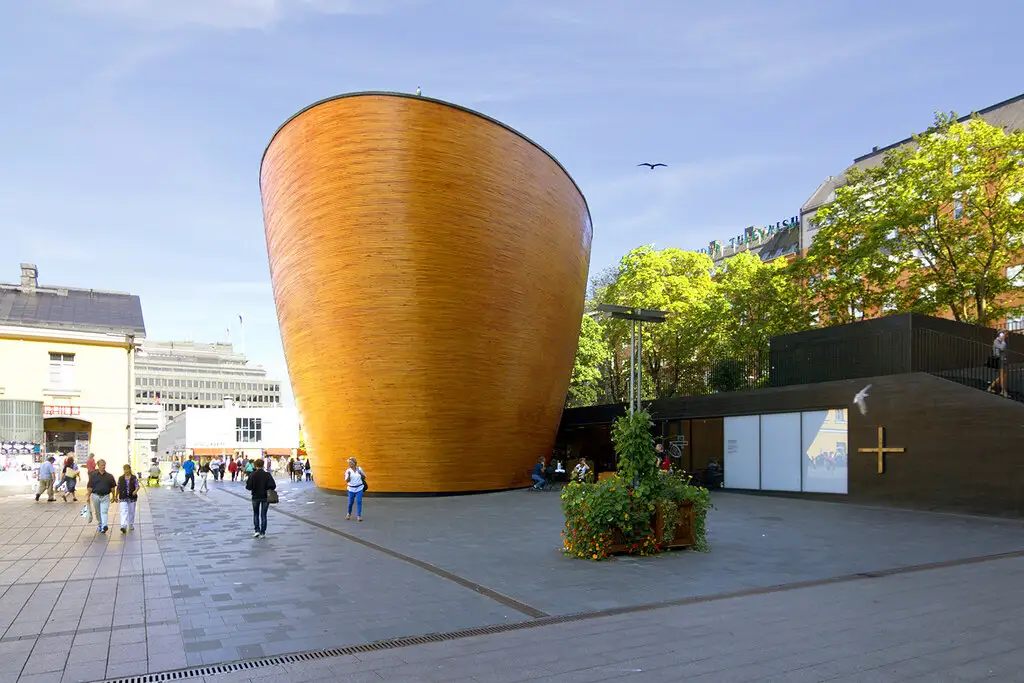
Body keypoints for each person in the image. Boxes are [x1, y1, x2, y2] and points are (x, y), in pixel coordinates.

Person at [245, 458, 276, 538]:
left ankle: (257, 530)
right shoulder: (267, 475)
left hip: (255, 496)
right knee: (263, 514)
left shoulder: (252, 475)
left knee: (256, 514)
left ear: (255, 465)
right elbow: (273, 486)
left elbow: (248, 487)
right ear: (263, 465)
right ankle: (262, 532)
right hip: (265, 496)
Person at [87, 459, 117, 534]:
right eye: (102, 465)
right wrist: (88, 496)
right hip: (96, 495)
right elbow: (90, 486)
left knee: (104, 511)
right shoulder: (93, 475)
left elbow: (113, 487)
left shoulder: (109, 476)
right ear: (98, 466)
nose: (103, 467)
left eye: (104, 465)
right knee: (98, 512)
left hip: (105, 496)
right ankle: (100, 523)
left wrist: (113, 496)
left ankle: (104, 526)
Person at [115, 464, 140, 533]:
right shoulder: (121, 478)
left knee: (131, 511)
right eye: (125, 469)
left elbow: (137, 486)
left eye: (127, 469)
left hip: (132, 497)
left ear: (130, 469)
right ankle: (123, 526)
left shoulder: (133, 477)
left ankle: (131, 524)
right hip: (123, 496)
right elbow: (118, 487)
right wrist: (115, 496)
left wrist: (135, 491)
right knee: (123, 511)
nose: (126, 471)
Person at [988, 330, 1010, 398]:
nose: (1007, 336)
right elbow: (1001, 348)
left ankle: (991, 387)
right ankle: (1003, 391)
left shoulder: (1001, 341)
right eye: (1006, 334)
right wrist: (1003, 341)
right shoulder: (996, 341)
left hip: (1003, 360)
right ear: (1001, 334)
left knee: (1003, 376)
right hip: (1000, 360)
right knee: (1003, 376)